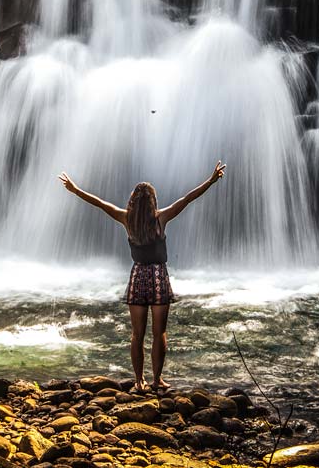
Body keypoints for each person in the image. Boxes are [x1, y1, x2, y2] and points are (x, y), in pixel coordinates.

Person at [58, 161, 226, 392]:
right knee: (159, 333)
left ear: (133, 202)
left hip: (137, 276)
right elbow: (187, 199)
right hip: (158, 276)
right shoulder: (160, 218)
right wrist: (211, 180)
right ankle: (157, 380)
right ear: (153, 201)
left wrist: (75, 190)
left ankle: (139, 381)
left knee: (137, 334)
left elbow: (99, 203)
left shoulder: (126, 218)